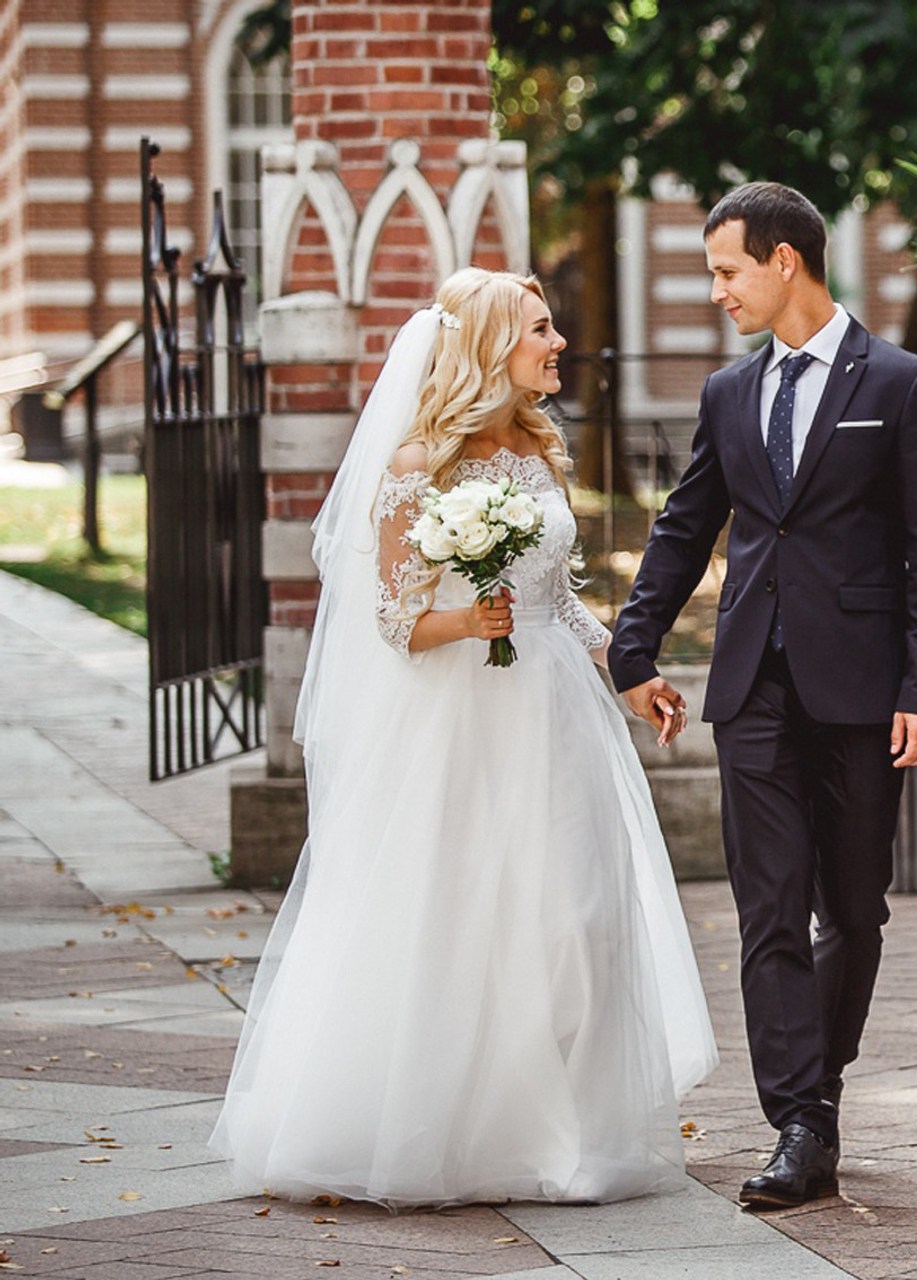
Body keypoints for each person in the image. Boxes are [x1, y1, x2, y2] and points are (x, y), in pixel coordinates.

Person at [210, 268, 717, 1208]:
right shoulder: (417, 468)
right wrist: (469, 624)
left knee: (577, 917)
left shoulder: (538, 450)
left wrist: (631, 672)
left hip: (555, 716)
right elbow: (397, 621)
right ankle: (473, 1135)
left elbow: (558, 600)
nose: (558, 342)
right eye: (539, 328)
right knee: (468, 925)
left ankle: (565, 1127)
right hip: (463, 726)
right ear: (489, 347)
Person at [609, 182, 917, 1209]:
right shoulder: (728, 393)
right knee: (766, 907)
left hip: (859, 689)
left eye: (725, 270)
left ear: (783, 262)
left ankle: (820, 1084)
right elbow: (683, 526)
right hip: (750, 680)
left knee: (850, 909)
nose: (716, 290)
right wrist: (632, 648)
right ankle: (798, 1121)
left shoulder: (899, 383)